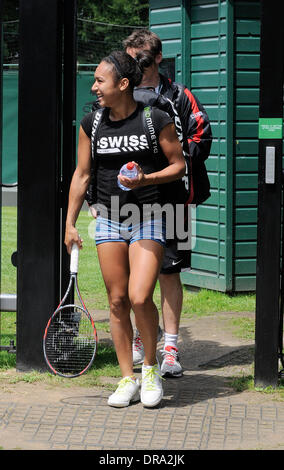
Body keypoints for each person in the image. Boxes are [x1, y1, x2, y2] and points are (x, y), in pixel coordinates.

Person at [64, 50, 185, 408]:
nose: (94, 86)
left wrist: (146, 177)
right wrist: (69, 223)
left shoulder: (155, 118)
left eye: (101, 80)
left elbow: (178, 165)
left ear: (123, 84)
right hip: (108, 218)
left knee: (138, 296)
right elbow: (82, 174)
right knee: (117, 302)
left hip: (149, 216)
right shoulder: (92, 123)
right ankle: (126, 379)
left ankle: (150, 370)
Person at [122, 29, 213, 378]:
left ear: (158, 58)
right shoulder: (121, 93)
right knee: (131, 272)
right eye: (131, 58)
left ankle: (171, 348)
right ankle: (142, 340)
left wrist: (169, 159)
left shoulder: (179, 95)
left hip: (173, 198)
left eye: (142, 57)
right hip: (130, 199)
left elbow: (201, 135)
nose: (136, 64)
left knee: (169, 270)